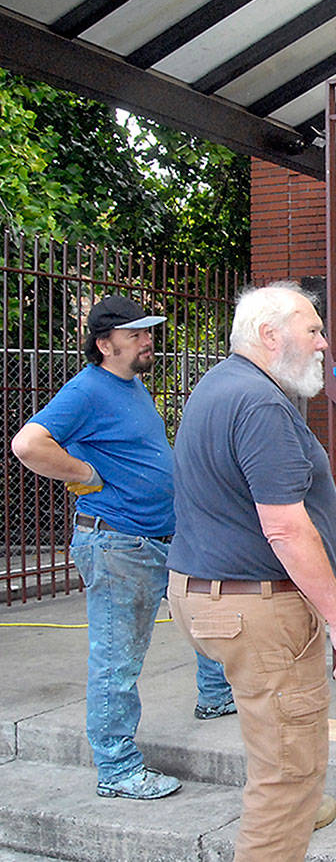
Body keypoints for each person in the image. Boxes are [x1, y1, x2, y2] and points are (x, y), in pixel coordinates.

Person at [165, 282, 336, 860]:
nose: (325, 342)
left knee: (275, 733)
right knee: (289, 769)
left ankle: (303, 807)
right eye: (313, 329)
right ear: (269, 335)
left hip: (208, 594)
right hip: (255, 608)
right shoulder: (261, 405)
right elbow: (284, 527)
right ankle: (289, 813)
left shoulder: (219, 386)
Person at [10, 295, 234, 800]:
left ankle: (216, 696)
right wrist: (85, 474)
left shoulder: (131, 387)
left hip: (160, 537)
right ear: (104, 344)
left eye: (148, 332)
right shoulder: (87, 389)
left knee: (204, 613)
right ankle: (116, 769)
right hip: (118, 544)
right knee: (117, 659)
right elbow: (28, 445)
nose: (147, 340)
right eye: (135, 334)